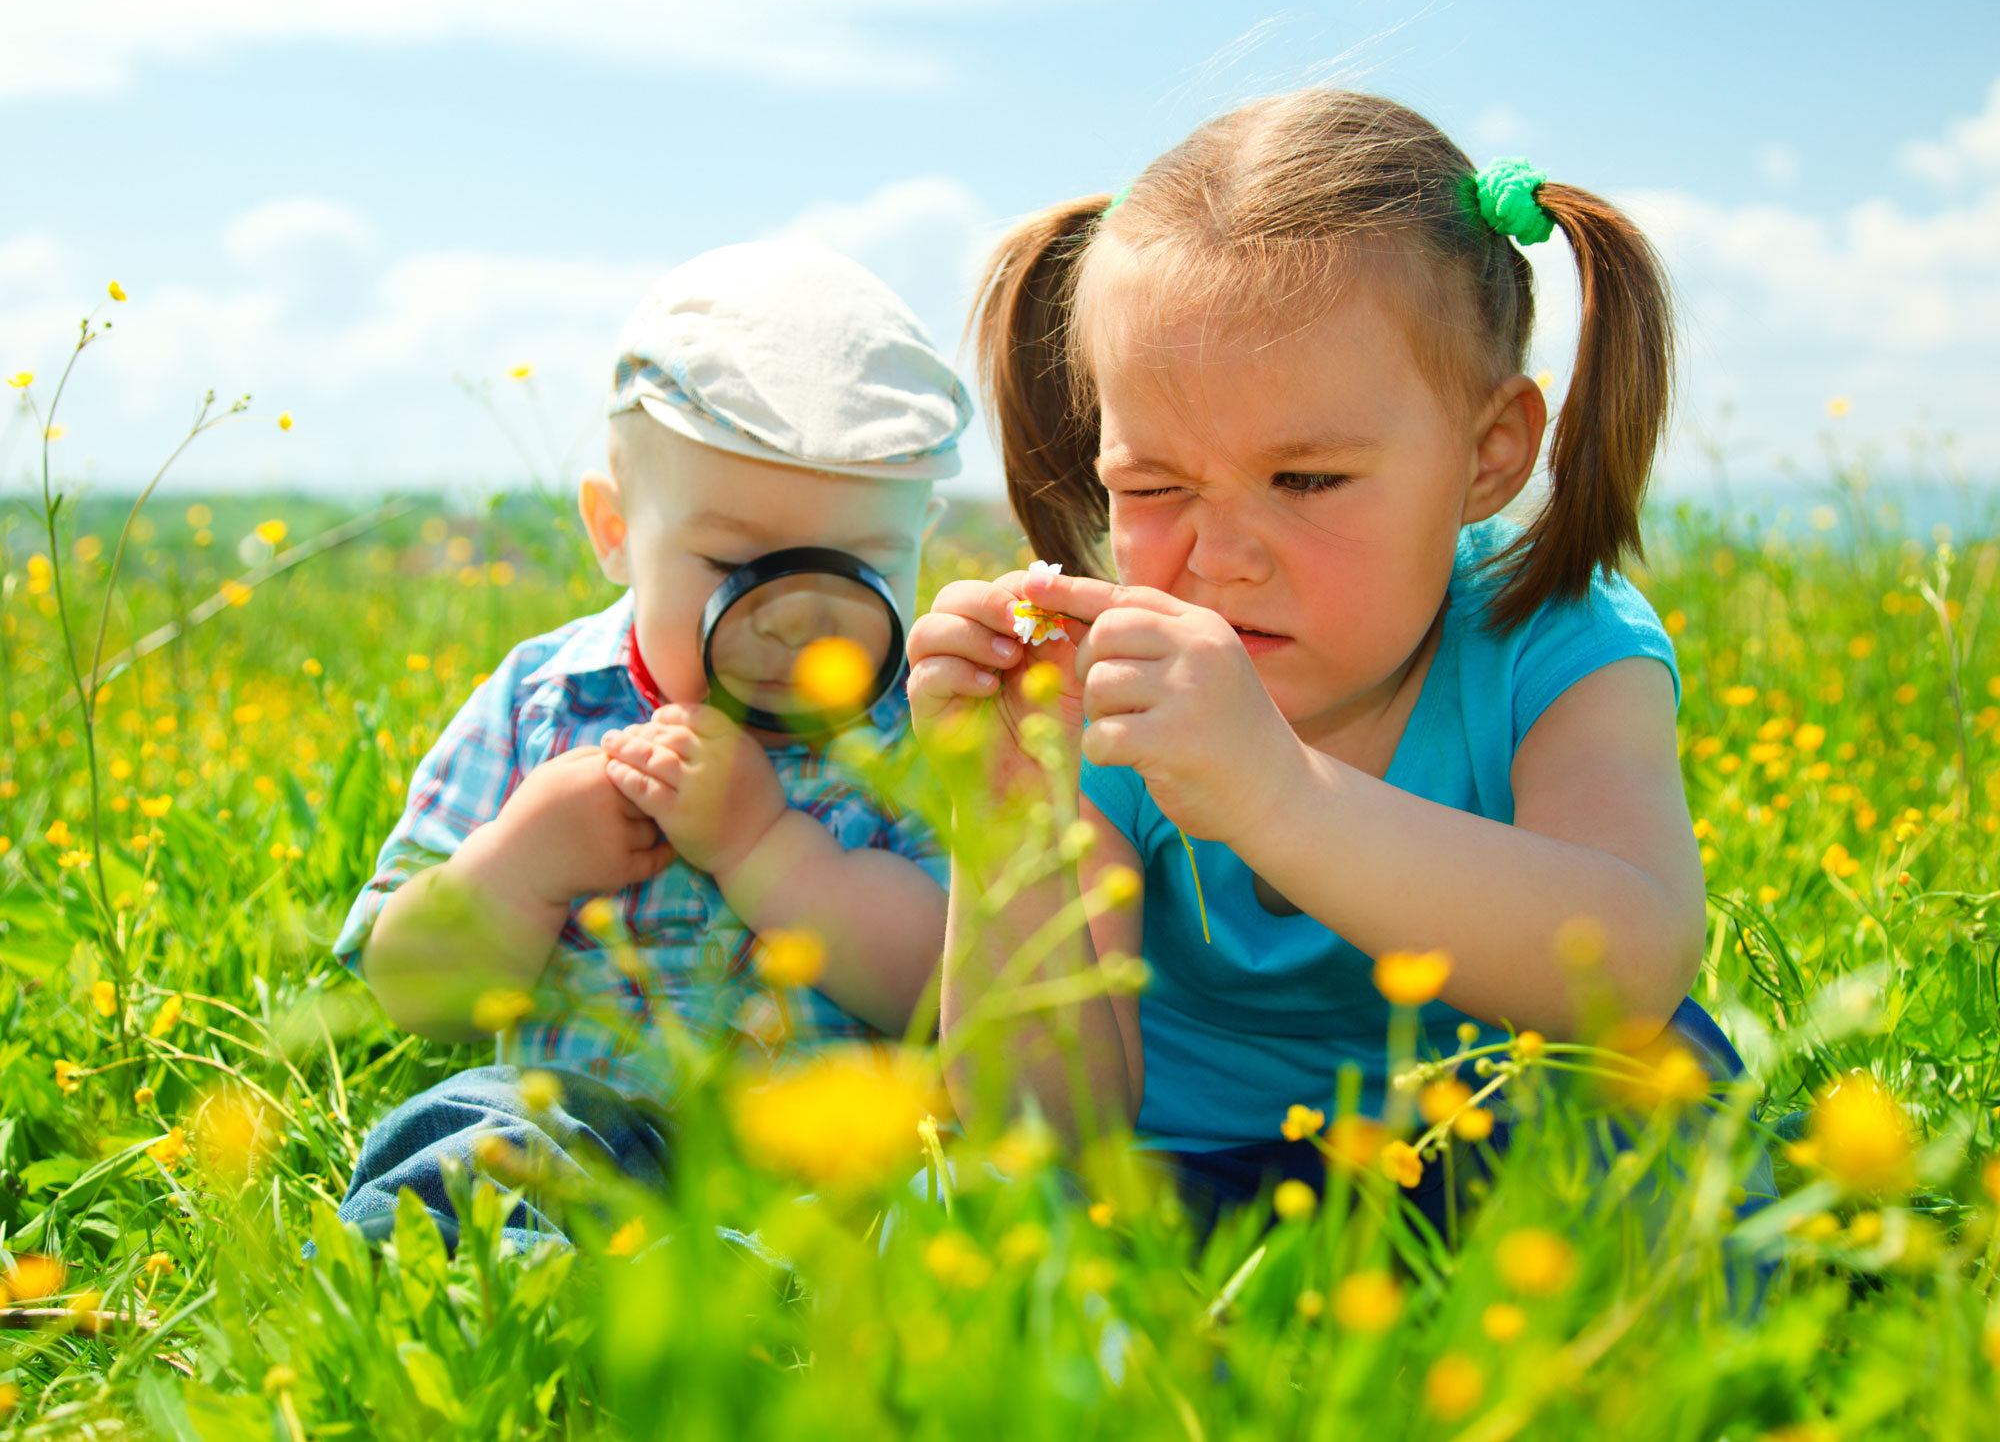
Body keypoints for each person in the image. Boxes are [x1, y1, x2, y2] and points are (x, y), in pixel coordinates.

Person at [907, 87, 1774, 1230]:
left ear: (1486, 454)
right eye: (1151, 488)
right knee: (964, 1204)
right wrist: (1008, 806)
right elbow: (1044, 1122)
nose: (1217, 560)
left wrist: (1274, 794)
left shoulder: (1555, 636)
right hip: (1187, 1165)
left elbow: (1630, 966)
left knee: (1659, 1123)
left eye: (1305, 480)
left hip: (1504, 1143)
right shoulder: (1101, 689)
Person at [330, 240, 969, 1249]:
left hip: (838, 1152)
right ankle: (521, 1293)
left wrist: (766, 850)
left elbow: (950, 991)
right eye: (734, 561)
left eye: (857, 566)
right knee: (473, 1127)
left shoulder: (923, 723)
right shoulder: (544, 700)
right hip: (584, 1132)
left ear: (922, 534)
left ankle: (782, 1319)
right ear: (615, 527)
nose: (798, 616)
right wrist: (521, 861)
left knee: (964, 1187)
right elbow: (410, 982)